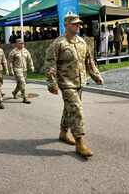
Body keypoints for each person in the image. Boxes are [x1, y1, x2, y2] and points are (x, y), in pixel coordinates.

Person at [45, 13, 104, 157]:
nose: (78, 26)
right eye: (74, 23)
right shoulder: (58, 43)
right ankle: (80, 142)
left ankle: (63, 133)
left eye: (79, 23)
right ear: (66, 25)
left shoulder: (82, 42)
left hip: (79, 82)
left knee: (69, 108)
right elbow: (50, 63)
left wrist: (96, 76)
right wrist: (52, 82)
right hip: (66, 83)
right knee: (76, 109)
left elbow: (89, 61)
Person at [8, 38, 34, 104]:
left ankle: (14, 92)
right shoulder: (13, 52)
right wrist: (11, 70)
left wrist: (31, 66)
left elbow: (29, 59)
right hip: (17, 69)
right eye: (20, 43)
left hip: (24, 70)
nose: (22, 44)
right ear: (16, 44)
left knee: (20, 84)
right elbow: (10, 62)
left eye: (23, 43)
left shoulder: (26, 51)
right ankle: (24, 98)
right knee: (22, 83)